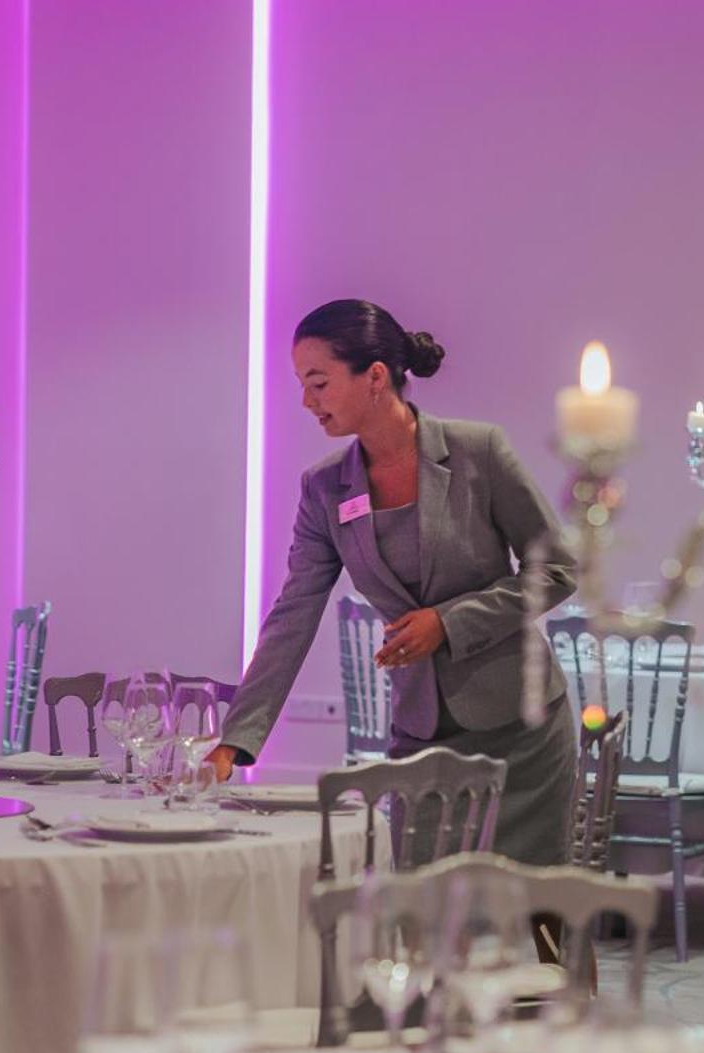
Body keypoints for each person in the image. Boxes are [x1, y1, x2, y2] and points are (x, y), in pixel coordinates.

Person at [206, 298, 579, 865]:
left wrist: (448, 624)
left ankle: (561, 961)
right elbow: (293, 613)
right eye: (303, 385)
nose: (307, 401)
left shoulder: (479, 452)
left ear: (375, 377)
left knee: (540, 916)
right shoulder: (326, 489)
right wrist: (236, 740)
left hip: (520, 733)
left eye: (320, 383)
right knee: (419, 913)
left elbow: (555, 570)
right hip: (421, 736)